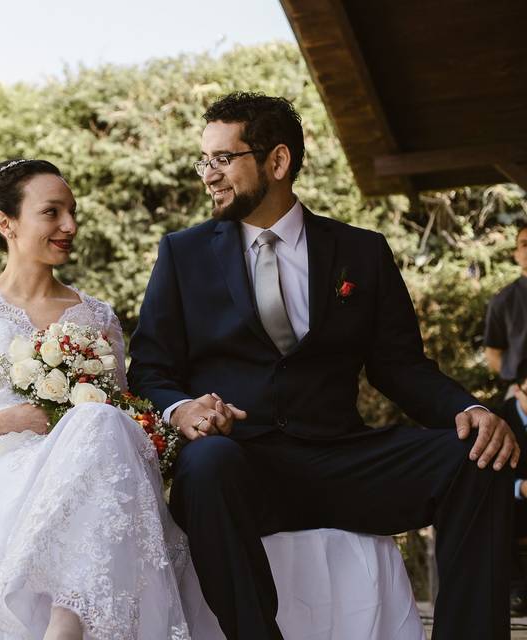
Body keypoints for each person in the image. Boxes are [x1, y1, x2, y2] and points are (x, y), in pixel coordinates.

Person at [127, 92, 519, 640]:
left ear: (278, 161)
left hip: (342, 460)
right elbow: (149, 370)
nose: (208, 175)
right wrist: (182, 409)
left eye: (222, 159)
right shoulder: (182, 253)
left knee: (480, 456)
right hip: (241, 465)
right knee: (207, 465)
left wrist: (470, 408)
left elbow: (400, 366)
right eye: (204, 160)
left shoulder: (362, 251)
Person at [0, 159, 212, 639]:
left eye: (72, 212)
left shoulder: (97, 316)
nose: (70, 226)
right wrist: (12, 420)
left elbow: (125, 414)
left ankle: (66, 623)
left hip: (83, 457)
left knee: (100, 423)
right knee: (97, 428)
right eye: (52, 212)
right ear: (6, 223)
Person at [484, 226, 527, 396]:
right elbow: (493, 353)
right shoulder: (503, 300)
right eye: (524, 244)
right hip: (521, 391)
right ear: (516, 255)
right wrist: (519, 383)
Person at [497, 381, 527, 615]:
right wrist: (521, 487)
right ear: (517, 390)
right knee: (496, 512)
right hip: (510, 503)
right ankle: (516, 591)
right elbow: (485, 476)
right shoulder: (498, 419)